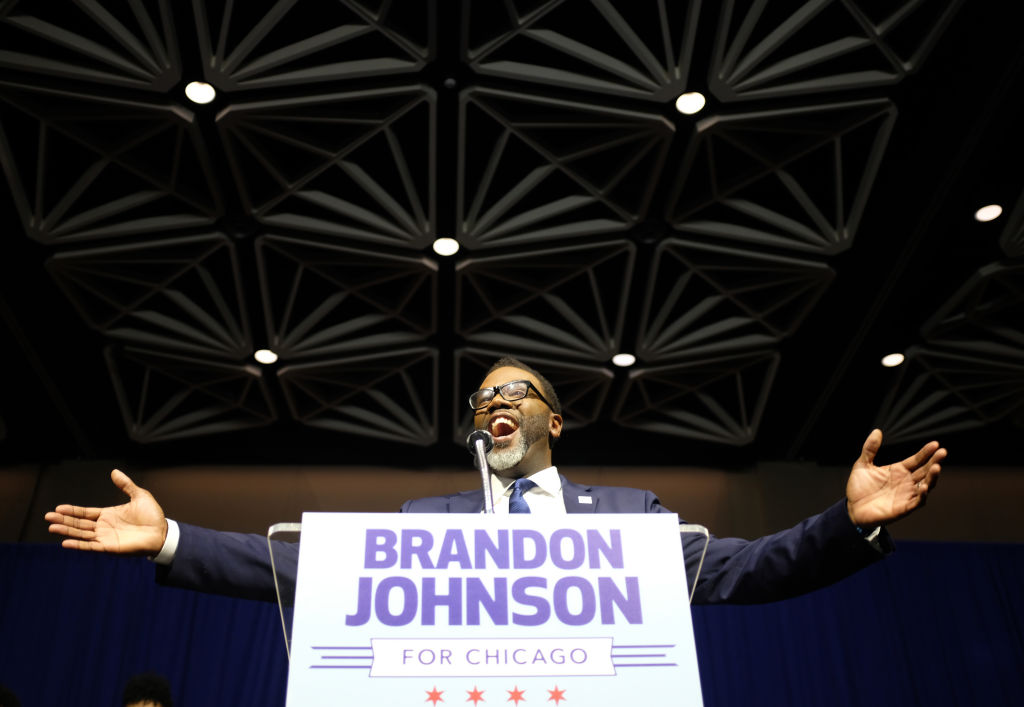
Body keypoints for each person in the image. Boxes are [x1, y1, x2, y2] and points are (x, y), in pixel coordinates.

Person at [45, 357, 944, 604]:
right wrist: (170, 536)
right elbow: (303, 567)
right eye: (482, 400)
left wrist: (847, 520)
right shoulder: (425, 519)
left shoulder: (631, 519)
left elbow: (752, 567)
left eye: (517, 393)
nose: (496, 405)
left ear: (558, 418)